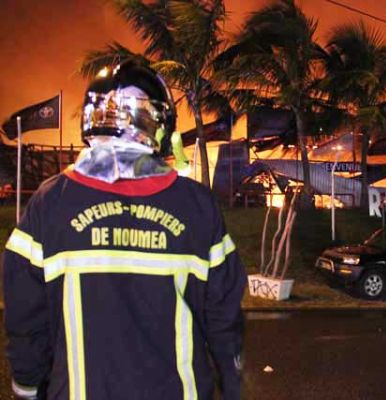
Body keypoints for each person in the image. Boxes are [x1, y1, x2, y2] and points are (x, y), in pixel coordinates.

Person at [3, 62, 246, 400]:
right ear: (157, 122)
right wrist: (232, 383)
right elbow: (224, 314)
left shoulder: (50, 202)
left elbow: (25, 313)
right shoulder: (197, 205)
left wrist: (28, 385)